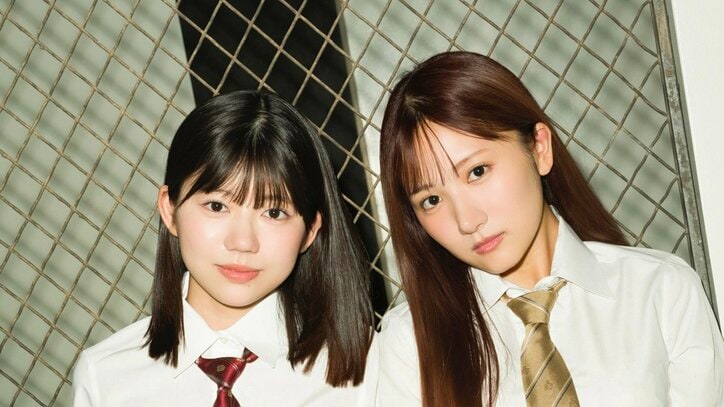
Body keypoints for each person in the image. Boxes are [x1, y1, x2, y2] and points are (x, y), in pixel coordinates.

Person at [376, 51, 724, 406]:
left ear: (539, 148)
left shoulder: (661, 291)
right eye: (431, 200)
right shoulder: (409, 347)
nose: (467, 221)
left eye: (477, 172)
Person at [72, 90, 375, 406]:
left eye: (273, 213)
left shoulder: (362, 364)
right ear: (169, 210)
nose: (242, 242)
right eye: (217, 206)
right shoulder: (106, 379)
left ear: (310, 230)